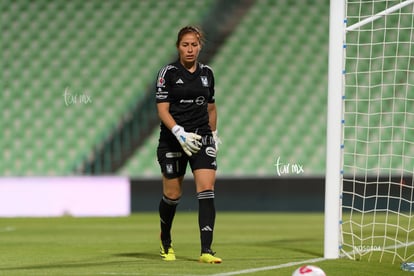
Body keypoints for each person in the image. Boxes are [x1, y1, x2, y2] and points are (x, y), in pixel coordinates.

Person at [155, 25, 222, 264]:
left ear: (200, 46)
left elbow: (211, 107)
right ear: (178, 47)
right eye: (185, 45)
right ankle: (165, 240)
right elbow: (162, 109)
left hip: (201, 137)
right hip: (173, 139)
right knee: (172, 195)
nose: (190, 49)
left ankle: (206, 250)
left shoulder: (207, 73)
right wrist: (178, 132)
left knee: (206, 189)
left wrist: (213, 134)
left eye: (194, 44)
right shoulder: (168, 73)